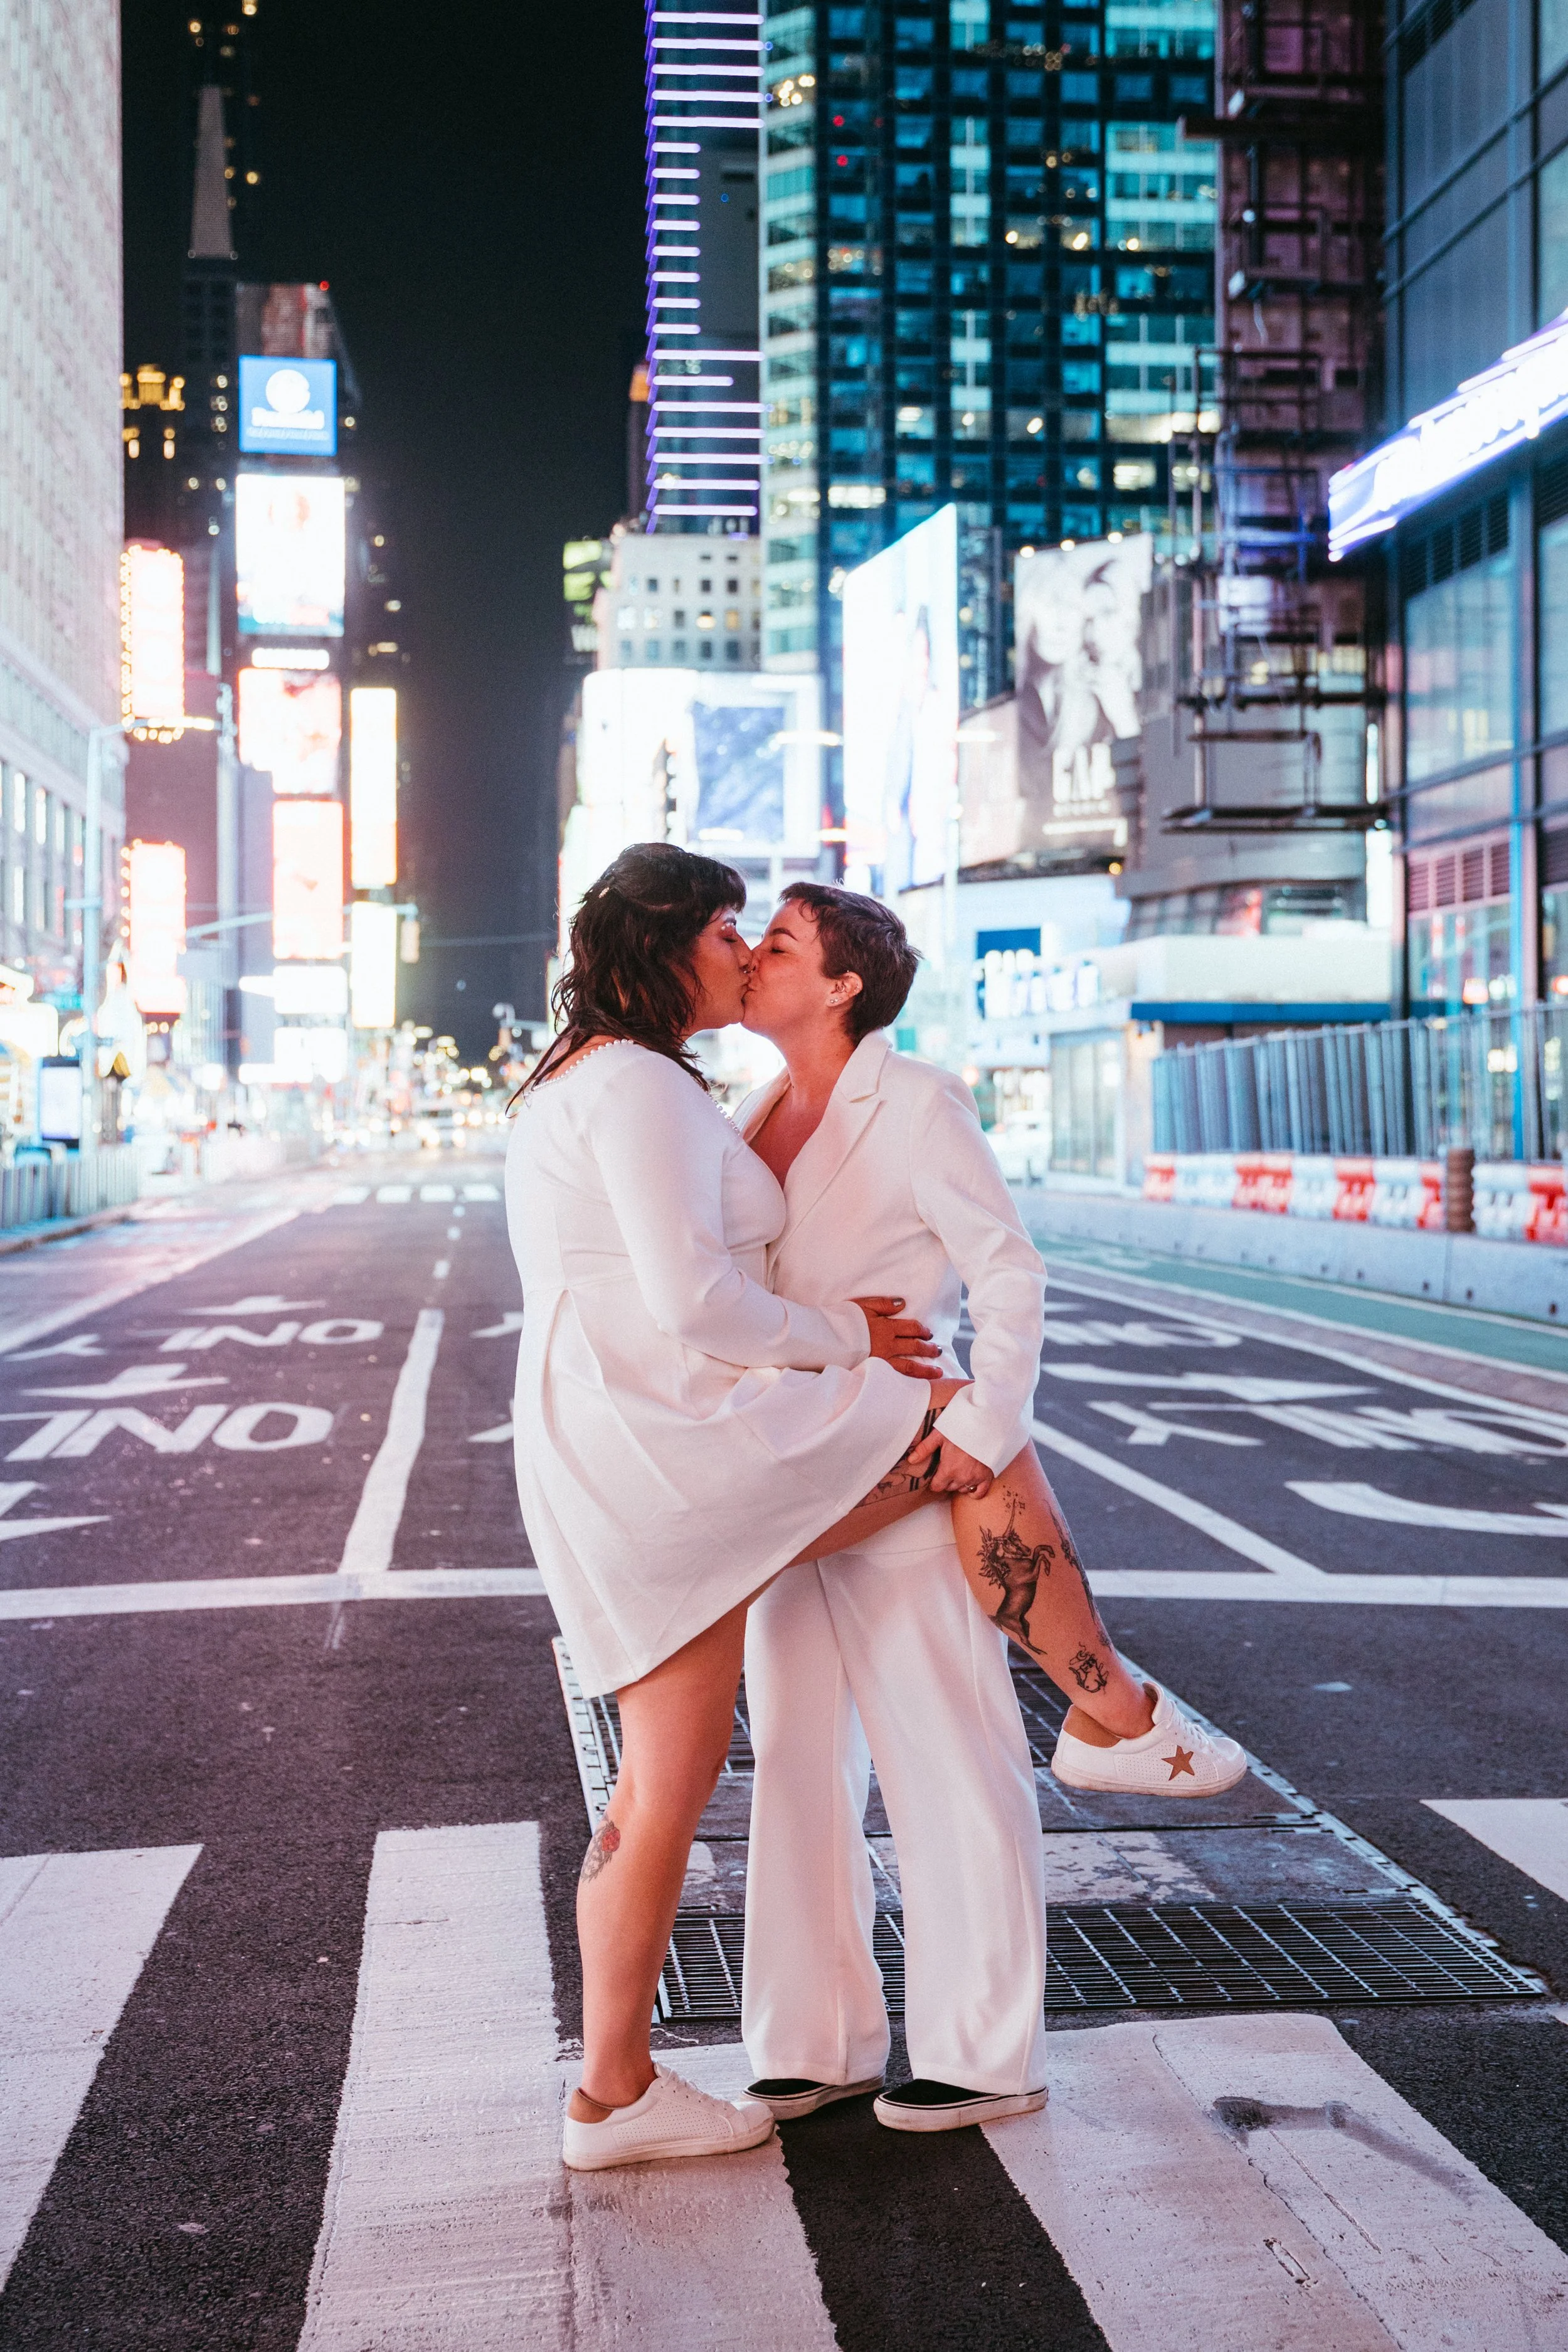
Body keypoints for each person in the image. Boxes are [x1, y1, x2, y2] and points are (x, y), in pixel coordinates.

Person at [733, 884, 1244, 2132]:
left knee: (943, 1749)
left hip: (905, 1464)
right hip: (783, 1474)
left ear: (844, 983)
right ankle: (814, 2037)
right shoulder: (749, 1113)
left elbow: (1006, 1268)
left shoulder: (913, 1104)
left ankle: (981, 2050)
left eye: (781, 944)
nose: (753, 956)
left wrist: (982, 1425)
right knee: (795, 1762)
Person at [507, 844, 960, 2175]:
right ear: (661, 947)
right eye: (722, 931)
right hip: (662, 1436)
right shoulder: (639, 1086)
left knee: (654, 1782)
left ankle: (610, 2086)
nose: (740, 951)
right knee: (942, 1422)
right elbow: (694, 1301)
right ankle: (611, 2091)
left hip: (624, 1430)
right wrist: (848, 1335)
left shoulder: (580, 1079)